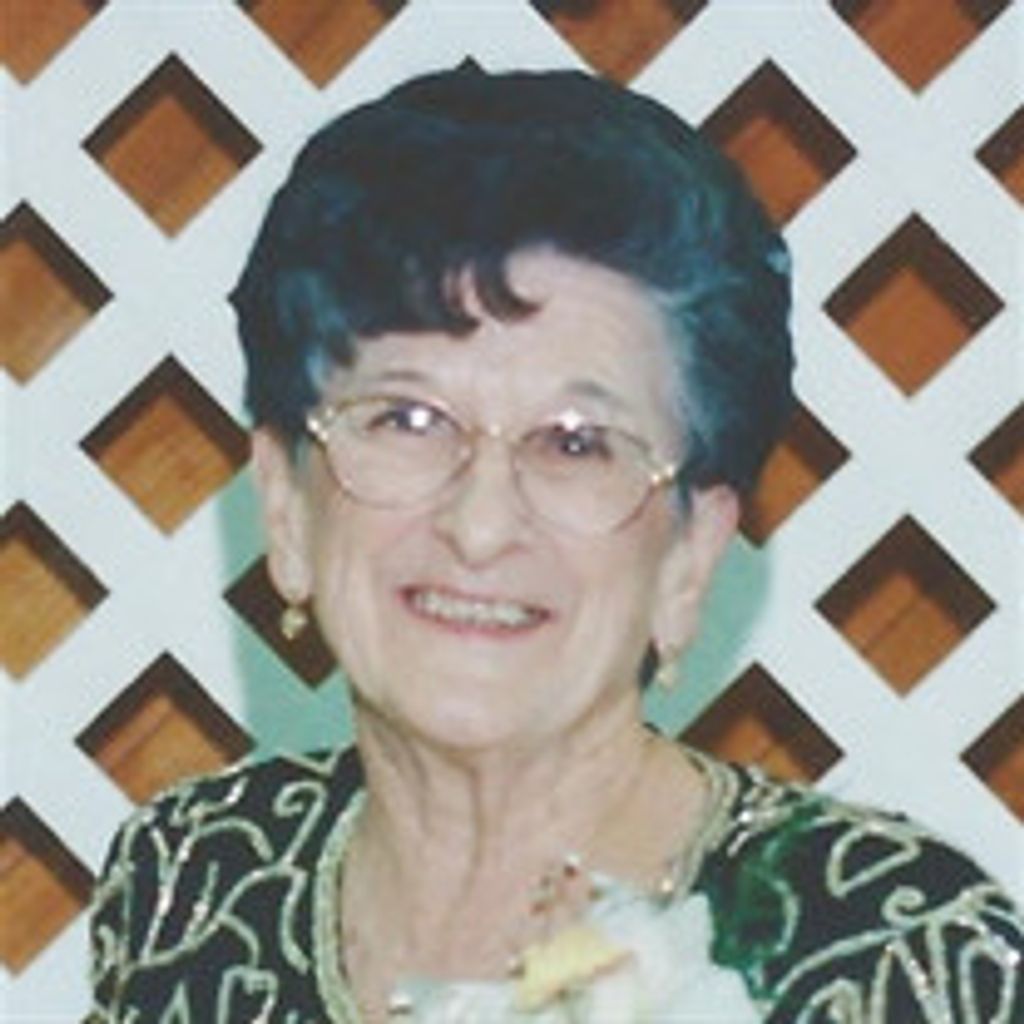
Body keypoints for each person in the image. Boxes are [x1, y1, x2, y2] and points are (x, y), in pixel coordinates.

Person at [88, 63, 1022, 1023]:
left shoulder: (893, 951)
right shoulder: (190, 881)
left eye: (577, 443)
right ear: (286, 504)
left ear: (691, 554)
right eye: (407, 418)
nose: (481, 525)